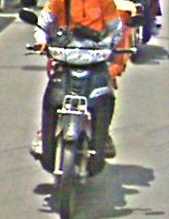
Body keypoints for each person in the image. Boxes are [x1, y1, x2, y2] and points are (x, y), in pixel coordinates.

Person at [30, 0, 123, 174]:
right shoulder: (58, 1)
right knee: (51, 99)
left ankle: (103, 136)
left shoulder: (105, 2)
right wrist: (41, 41)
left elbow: (115, 29)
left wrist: (108, 45)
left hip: (95, 57)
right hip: (65, 56)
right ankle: (44, 135)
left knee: (105, 98)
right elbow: (43, 25)